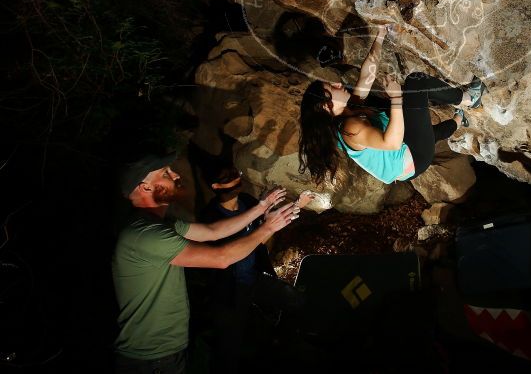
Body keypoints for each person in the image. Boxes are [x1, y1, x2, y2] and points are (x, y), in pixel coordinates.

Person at [112, 154, 299, 374]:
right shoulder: (146, 235)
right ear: (145, 187)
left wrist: (261, 207)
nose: (176, 175)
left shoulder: (161, 225)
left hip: (164, 352)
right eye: (165, 173)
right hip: (150, 359)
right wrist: (268, 228)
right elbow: (221, 258)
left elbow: (213, 231)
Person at [298, 24, 485, 185]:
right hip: (414, 156)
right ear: (326, 106)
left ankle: (459, 120)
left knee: (429, 132)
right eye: (331, 88)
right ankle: (470, 98)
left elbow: (368, 75)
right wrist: (396, 98)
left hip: (405, 157)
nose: (338, 84)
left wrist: (380, 35)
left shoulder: (348, 110)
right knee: (416, 82)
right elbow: (392, 143)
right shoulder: (349, 128)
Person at [197, 166, 312, 373]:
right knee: (228, 347)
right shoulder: (210, 218)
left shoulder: (247, 202)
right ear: (215, 186)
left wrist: (295, 206)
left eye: (236, 174)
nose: (236, 179)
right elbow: (231, 253)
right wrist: (268, 222)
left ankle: (279, 347)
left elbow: (265, 231)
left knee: (296, 300)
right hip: (228, 288)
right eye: (228, 177)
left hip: (254, 277)